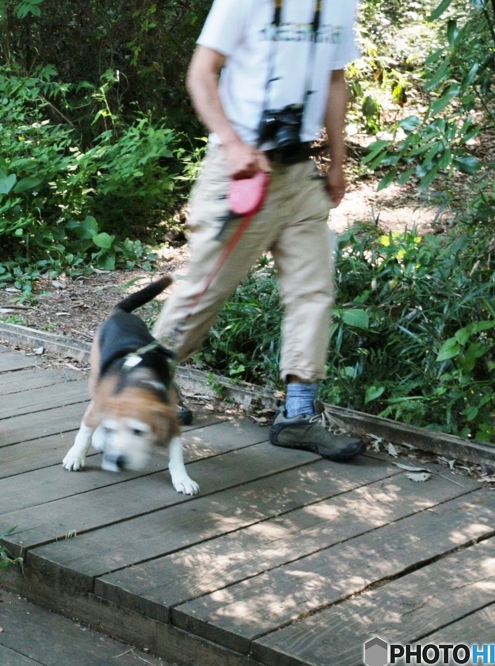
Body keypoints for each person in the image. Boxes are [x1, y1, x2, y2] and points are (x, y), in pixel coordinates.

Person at [154, 0, 365, 460]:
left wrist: (337, 160)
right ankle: (149, 384)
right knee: (207, 290)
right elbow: (201, 71)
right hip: (242, 172)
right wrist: (232, 144)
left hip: (299, 175)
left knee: (313, 292)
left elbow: (334, 81)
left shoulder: (339, 5)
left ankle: (298, 415)